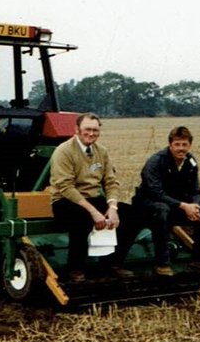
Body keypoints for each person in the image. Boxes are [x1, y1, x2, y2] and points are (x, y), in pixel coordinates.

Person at [49, 112, 138, 283]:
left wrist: (113, 208)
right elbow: (66, 187)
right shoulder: (64, 151)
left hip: (94, 199)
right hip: (66, 201)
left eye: (95, 130)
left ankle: (113, 263)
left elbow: (111, 182)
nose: (91, 134)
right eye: (87, 129)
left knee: (133, 215)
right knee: (82, 219)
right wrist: (94, 212)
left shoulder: (101, 151)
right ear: (77, 130)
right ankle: (76, 268)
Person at [133, 126, 200, 276]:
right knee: (162, 211)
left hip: (177, 204)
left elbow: (195, 190)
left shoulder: (191, 161)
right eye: (177, 144)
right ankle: (162, 264)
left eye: (184, 144)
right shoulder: (155, 162)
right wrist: (183, 206)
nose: (181, 148)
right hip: (149, 204)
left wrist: (195, 205)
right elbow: (156, 192)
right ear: (170, 145)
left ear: (190, 145)